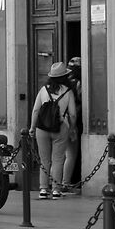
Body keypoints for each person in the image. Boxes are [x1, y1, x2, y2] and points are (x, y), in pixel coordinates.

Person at [31, 60, 83, 197]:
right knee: (58, 159)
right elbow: (72, 113)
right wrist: (72, 128)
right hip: (61, 128)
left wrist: (32, 127)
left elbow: (36, 110)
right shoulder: (68, 92)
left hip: (42, 128)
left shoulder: (43, 90)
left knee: (44, 160)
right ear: (64, 77)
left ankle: (43, 189)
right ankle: (56, 189)